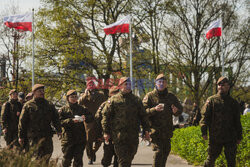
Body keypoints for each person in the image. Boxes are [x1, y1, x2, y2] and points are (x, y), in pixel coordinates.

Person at [102, 77, 150, 167]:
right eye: (125, 84)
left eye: (129, 84)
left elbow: (143, 116)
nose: (128, 86)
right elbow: (105, 116)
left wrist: (146, 130)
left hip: (133, 135)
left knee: (129, 157)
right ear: (120, 86)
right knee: (123, 161)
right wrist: (106, 132)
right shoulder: (113, 100)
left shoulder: (136, 100)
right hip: (119, 136)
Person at [200, 76, 242, 167]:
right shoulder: (211, 100)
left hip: (230, 137)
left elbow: (237, 121)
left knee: (231, 161)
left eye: (223, 85)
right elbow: (205, 117)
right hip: (215, 136)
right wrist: (204, 131)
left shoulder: (233, 103)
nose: (221, 87)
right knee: (210, 160)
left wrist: (239, 136)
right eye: (219, 85)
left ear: (228, 86)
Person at [142, 74, 183, 167]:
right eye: (159, 82)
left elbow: (180, 109)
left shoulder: (171, 96)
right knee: (159, 152)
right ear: (155, 83)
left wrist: (176, 111)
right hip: (155, 131)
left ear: (166, 84)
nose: (161, 84)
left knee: (166, 151)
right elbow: (142, 112)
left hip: (167, 131)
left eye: (163, 82)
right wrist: (154, 109)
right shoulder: (150, 96)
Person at [18, 84, 62, 163]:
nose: (42, 92)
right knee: (36, 159)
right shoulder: (28, 105)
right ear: (34, 92)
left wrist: (59, 130)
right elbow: (22, 122)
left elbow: (55, 119)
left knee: (47, 156)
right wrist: (21, 136)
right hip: (34, 137)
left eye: (43, 91)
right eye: (39, 91)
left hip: (46, 136)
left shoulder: (49, 105)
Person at [59, 90, 93, 167]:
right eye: (72, 97)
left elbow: (91, 117)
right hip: (68, 139)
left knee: (78, 161)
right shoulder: (63, 110)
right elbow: (58, 122)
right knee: (66, 160)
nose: (74, 99)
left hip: (80, 139)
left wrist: (85, 118)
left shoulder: (82, 108)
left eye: (75, 97)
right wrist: (71, 121)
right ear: (68, 98)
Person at [78, 79, 107, 164]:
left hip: (99, 119)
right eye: (89, 85)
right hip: (88, 121)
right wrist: (85, 93)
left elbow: (105, 104)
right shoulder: (84, 95)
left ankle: (93, 152)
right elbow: (79, 103)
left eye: (92, 85)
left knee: (100, 138)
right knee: (88, 140)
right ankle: (90, 157)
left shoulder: (101, 95)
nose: (91, 87)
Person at [95, 86, 119, 167]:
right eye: (115, 93)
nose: (117, 95)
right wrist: (99, 134)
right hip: (108, 135)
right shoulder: (105, 104)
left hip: (120, 135)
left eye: (118, 92)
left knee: (118, 158)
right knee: (107, 158)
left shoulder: (122, 104)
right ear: (110, 94)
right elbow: (98, 119)